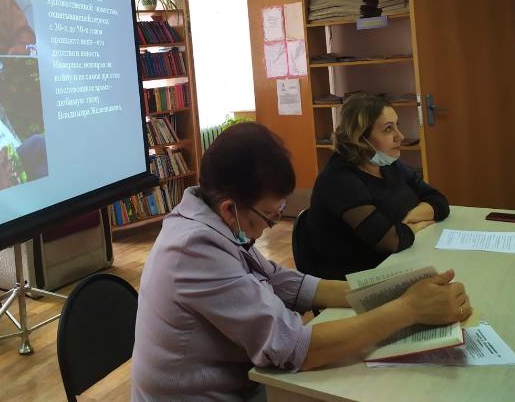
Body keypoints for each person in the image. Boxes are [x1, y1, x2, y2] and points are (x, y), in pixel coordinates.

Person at [132, 122, 471, 401]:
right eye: (268, 217)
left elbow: (282, 282)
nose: (268, 227)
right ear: (229, 209)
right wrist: (409, 309)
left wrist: (391, 290)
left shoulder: (212, 221)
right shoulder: (194, 250)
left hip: (243, 384)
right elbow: (297, 349)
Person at [299, 93, 450, 280]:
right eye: (388, 129)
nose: (400, 136)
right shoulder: (339, 180)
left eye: (397, 126)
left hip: (398, 261)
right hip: (355, 279)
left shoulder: (387, 165)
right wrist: (417, 227)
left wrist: (410, 219)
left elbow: (439, 201)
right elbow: (390, 241)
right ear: (360, 138)